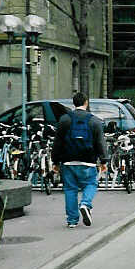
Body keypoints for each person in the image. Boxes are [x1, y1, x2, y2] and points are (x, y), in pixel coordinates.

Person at [52, 92, 107, 228]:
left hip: (68, 161)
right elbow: (100, 143)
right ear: (86, 103)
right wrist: (104, 160)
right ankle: (85, 204)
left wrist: (55, 161)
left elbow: (57, 143)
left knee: (70, 189)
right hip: (88, 161)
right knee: (91, 184)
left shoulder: (64, 120)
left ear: (73, 103)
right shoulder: (95, 121)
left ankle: (72, 221)